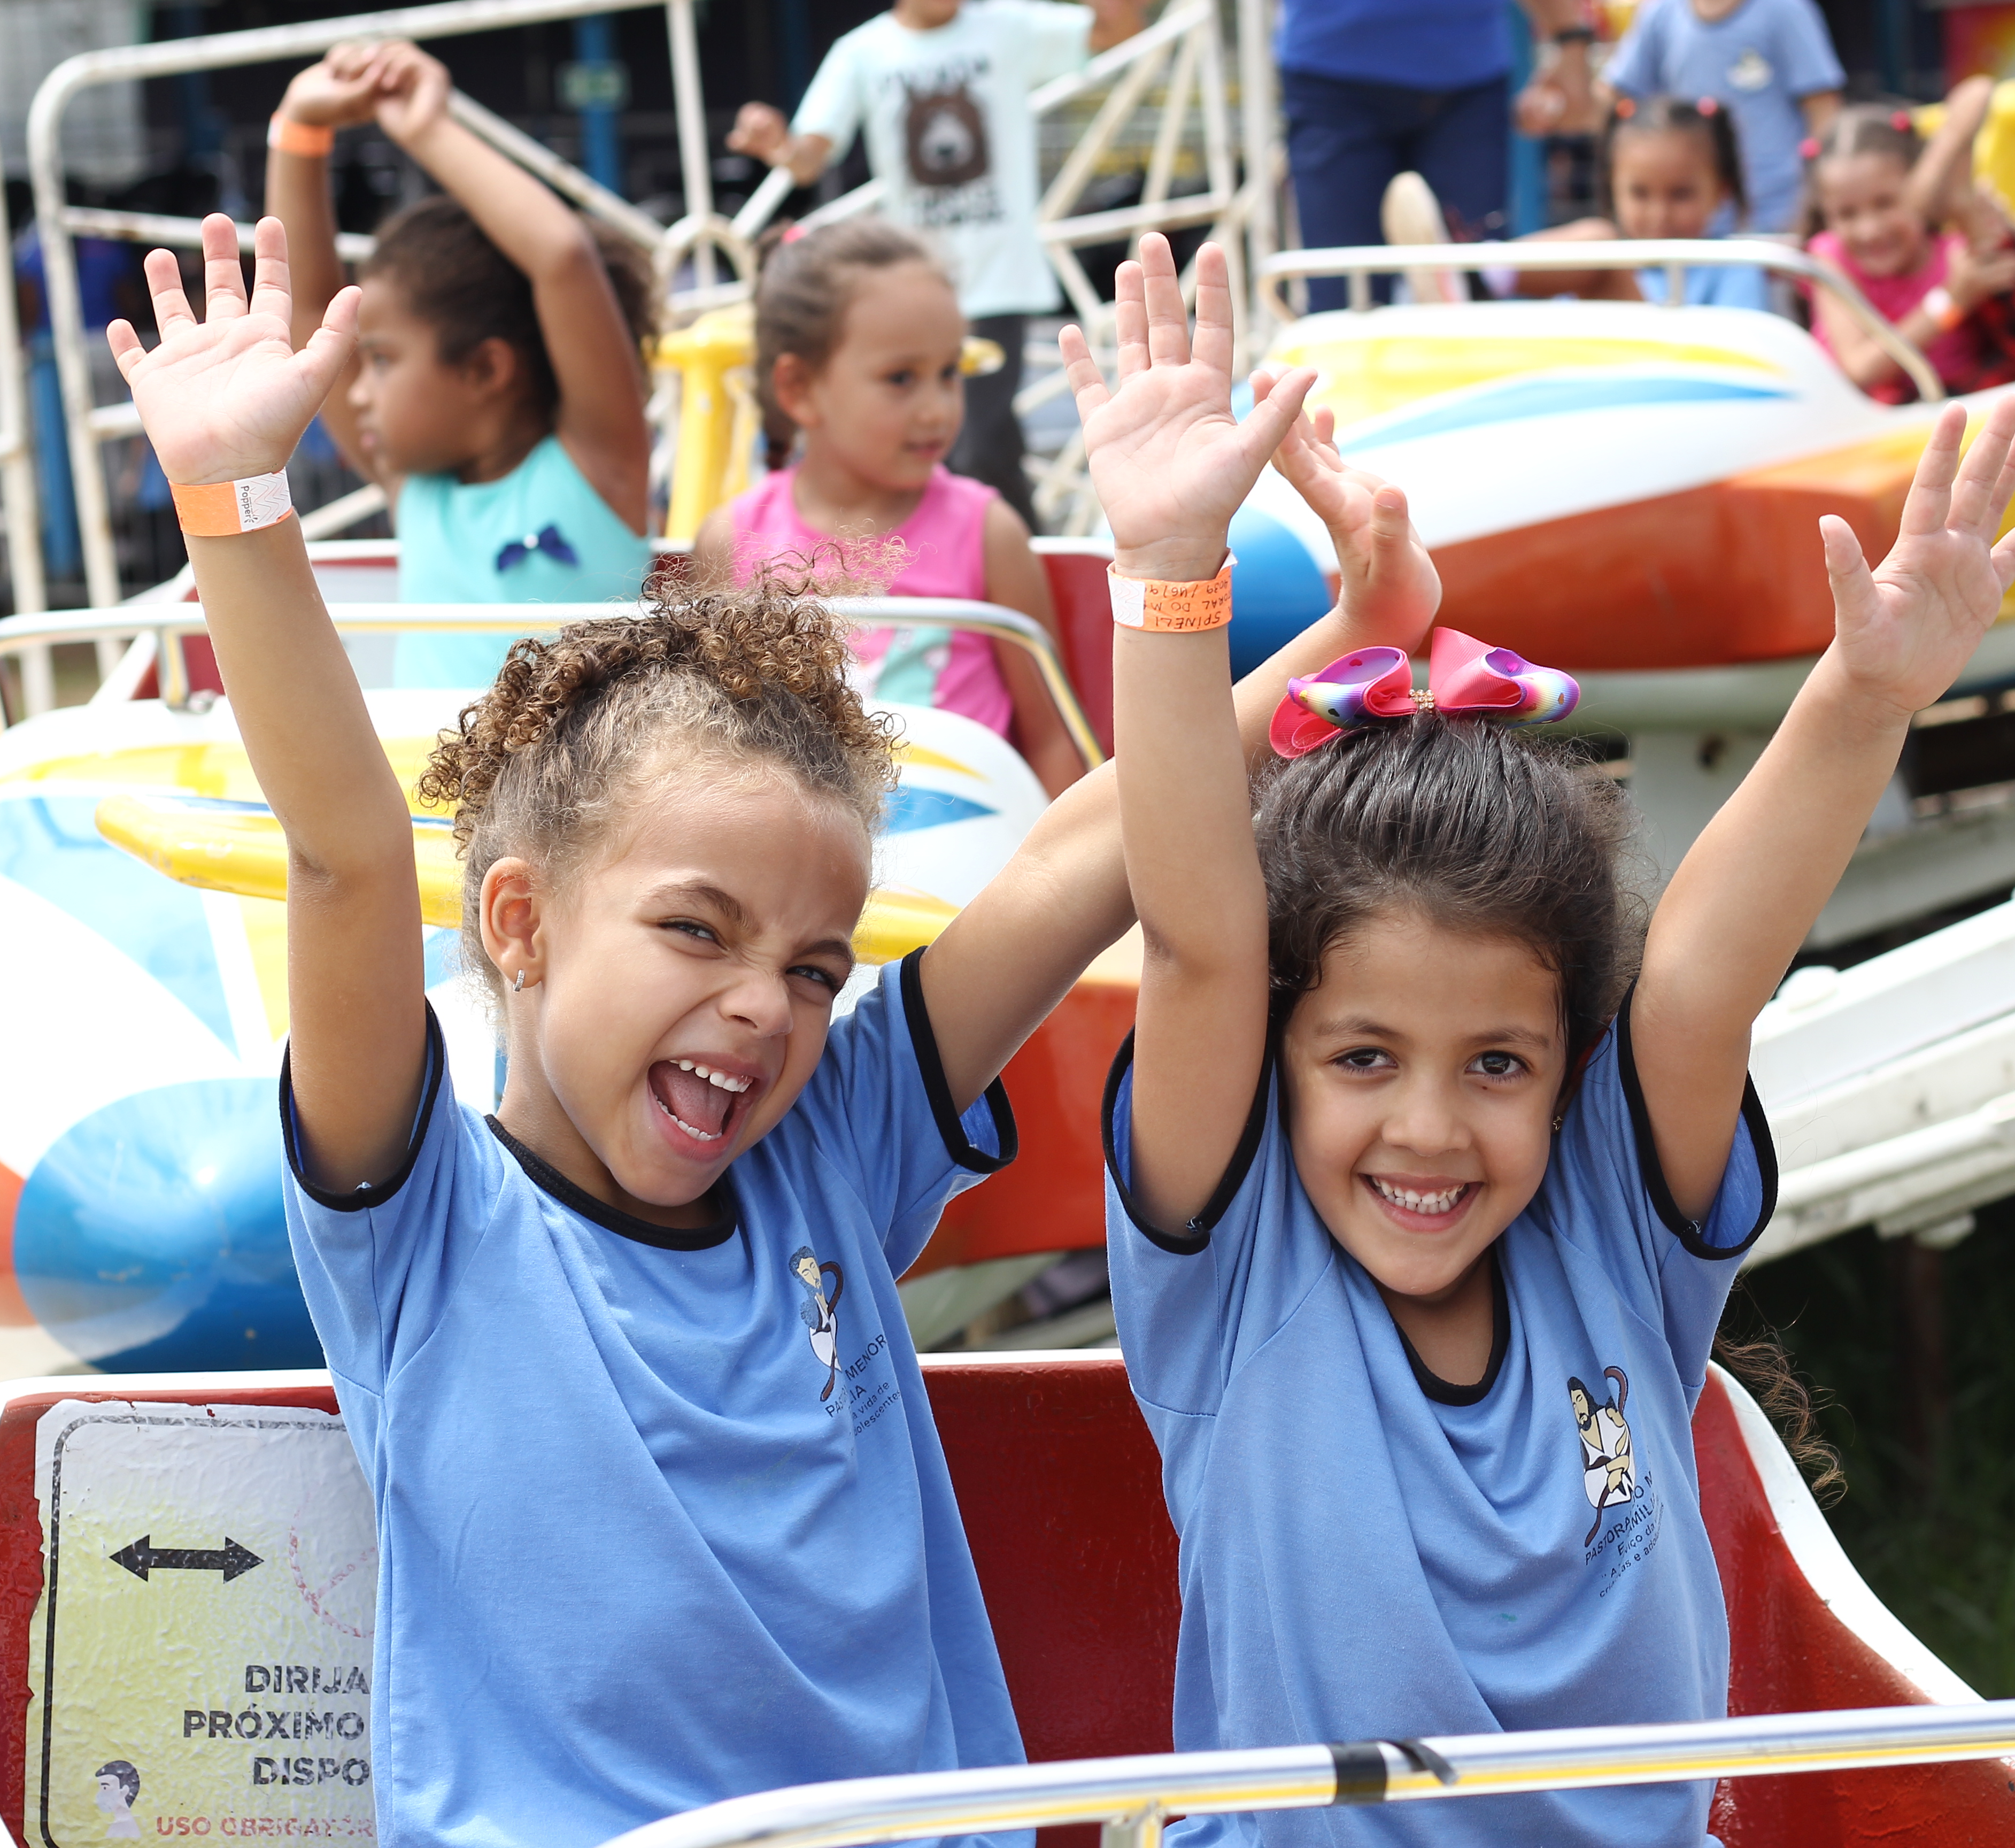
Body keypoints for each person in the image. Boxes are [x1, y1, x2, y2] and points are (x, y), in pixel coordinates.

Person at [105, 210, 1429, 1848]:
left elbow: (1086, 858)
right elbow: (351, 852)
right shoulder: (423, 1217)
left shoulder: (827, 1159)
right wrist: (237, 503)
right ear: (518, 924)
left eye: (816, 966)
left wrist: (1328, 630)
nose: (766, 1003)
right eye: (696, 931)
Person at [1064, 231, 2015, 1848]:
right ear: (1276, 1055)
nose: (1431, 1132)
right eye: (1363, 1058)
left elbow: (1698, 987)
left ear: (1566, 1064)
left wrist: (1864, 697)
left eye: (1498, 1066)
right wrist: (1174, 573)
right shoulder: (1242, 1267)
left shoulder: (1609, 1238)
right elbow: (1196, 937)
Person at [271, 38, 659, 687]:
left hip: (580, 792)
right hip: (434, 788)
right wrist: (300, 128)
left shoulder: (600, 468)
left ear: (485, 370)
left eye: (384, 360)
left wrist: (426, 129)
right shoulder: (416, 488)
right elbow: (311, 313)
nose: (358, 392)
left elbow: (561, 257)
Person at [693, 220, 1084, 798]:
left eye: (949, 373)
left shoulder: (988, 533)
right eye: (901, 378)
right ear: (800, 388)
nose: (937, 410)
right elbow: (714, 742)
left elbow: (1054, 739)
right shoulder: (732, 539)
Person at [724, 0, 1144, 530]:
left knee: (980, 446)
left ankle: (1022, 573)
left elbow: (1116, 29)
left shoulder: (1007, 25)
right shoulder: (862, 51)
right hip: (917, 295)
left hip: (998, 280)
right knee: (935, 450)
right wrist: (776, 143)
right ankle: (968, 577)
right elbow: (809, 157)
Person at [1277, 0, 1604, 314]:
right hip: (1331, 79)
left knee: (1471, 295)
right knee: (1343, 300)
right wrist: (1570, 40)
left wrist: (1570, 39)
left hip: (1469, 81)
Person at [1803, 101, 2015, 403]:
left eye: (1886, 203)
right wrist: (1953, 301)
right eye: (1847, 215)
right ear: (1826, 214)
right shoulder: (1830, 257)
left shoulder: (1955, 254)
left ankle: (1963, 198)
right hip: (1870, 419)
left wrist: (2006, 225)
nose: (1869, 230)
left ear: (1921, 191)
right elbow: (1862, 369)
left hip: (1961, 405)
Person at [1602, 0, 1844, 235]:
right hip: (1687, 231)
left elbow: (1824, 118)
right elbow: (1615, 96)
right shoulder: (1660, 12)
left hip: (1776, 226)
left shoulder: (1786, 10)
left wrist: (1803, 220)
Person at [1509, 95, 1772, 309]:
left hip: (1679, 370)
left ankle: (1487, 274)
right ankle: (1482, 277)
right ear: (1612, 186)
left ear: (1721, 191)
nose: (1660, 215)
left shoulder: (1735, 267)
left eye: (1681, 194)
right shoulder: (1582, 270)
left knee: (1600, 242)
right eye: (1640, 193)